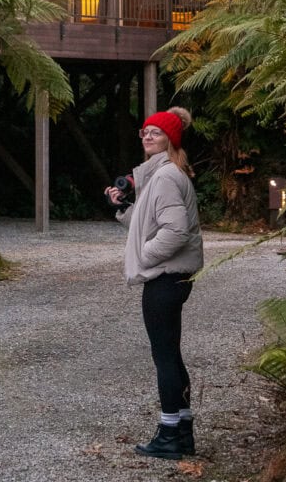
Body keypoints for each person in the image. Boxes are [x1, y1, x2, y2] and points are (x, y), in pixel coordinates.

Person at [105, 106, 203, 459]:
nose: (147, 136)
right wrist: (123, 208)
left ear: (170, 140)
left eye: (156, 132)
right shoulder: (163, 175)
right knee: (171, 355)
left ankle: (168, 435)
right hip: (173, 276)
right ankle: (184, 433)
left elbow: (174, 232)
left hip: (165, 277)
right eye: (144, 131)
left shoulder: (163, 177)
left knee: (163, 356)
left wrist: (143, 256)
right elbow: (151, 224)